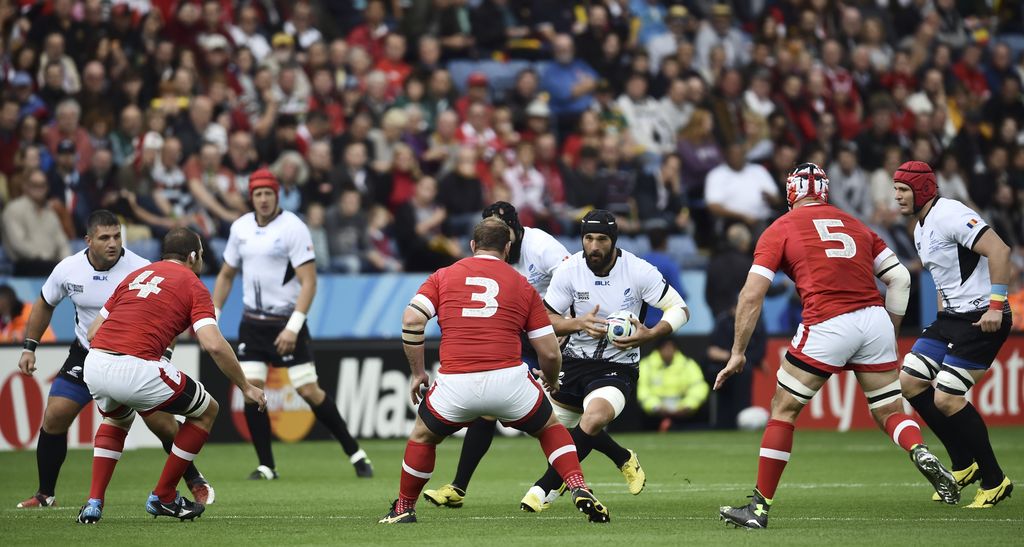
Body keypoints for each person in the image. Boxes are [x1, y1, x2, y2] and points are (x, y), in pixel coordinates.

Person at [716, 163, 957, 530]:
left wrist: (737, 353)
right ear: (825, 192)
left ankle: (759, 509)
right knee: (889, 410)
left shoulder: (780, 228)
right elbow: (900, 277)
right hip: (874, 318)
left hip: (828, 320)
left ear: (791, 193)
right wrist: (890, 329)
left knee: (783, 409)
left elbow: (752, 295)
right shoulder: (856, 224)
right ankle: (918, 449)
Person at [379, 217, 609, 524]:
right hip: (509, 381)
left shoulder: (443, 276)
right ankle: (578, 486)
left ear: (473, 246)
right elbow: (550, 351)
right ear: (508, 248)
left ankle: (404, 508)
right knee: (550, 428)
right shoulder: (522, 285)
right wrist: (551, 380)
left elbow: (411, 320)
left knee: (422, 437)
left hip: (455, 382)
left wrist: (418, 372)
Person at [16, 210, 215, 509]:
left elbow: (170, 314)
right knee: (55, 417)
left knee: (163, 426)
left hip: (138, 356)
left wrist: (164, 355)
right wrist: (29, 346)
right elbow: (45, 303)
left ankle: (191, 477)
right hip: (87, 353)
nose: (113, 243)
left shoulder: (142, 268)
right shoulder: (68, 269)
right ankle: (46, 494)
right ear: (88, 240)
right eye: (104, 237)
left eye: (117, 236)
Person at [75, 228, 267, 524]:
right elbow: (213, 344)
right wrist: (245, 386)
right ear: (192, 257)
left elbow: (93, 331)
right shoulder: (193, 284)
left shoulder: (136, 276)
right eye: (201, 254)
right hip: (137, 366)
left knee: (116, 418)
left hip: (96, 362)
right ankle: (164, 496)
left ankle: (93, 503)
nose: (202, 260)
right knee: (207, 411)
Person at [520, 209, 691, 512]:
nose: (594, 246)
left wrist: (649, 334)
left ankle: (545, 487)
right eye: (588, 238)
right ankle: (622, 457)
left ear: (613, 241)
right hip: (571, 362)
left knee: (593, 418)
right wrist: (577, 324)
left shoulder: (638, 270)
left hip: (618, 364)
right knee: (551, 431)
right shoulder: (569, 269)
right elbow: (545, 318)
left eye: (601, 239)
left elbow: (679, 308)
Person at [212, 169, 374, 480]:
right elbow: (226, 275)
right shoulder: (240, 228)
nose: (262, 199)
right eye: (257, 194)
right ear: (251, 197)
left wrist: (293, 327)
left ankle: (355, 452)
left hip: (286, 322)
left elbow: (309, 282)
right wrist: (212, 317)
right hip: (253, 324)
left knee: (308, 390)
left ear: (277, 195)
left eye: (268, 194)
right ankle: (266, 465)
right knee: (251, 391)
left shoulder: (293, 228)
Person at [423, 202, 581, 508]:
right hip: (514, 332)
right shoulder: (494, 254)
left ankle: (617, 458)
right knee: (489, 410)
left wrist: (565, 329)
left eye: (502, 233)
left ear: (516, 231)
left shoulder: (542, 247)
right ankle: (458, 487)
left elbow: (576, 280)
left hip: (550, 334)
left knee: (561, 414)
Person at [893, 161, 1015, 508]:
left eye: (903, 189)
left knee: (947, 398)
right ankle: (963, 463)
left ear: (924, 190)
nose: (897, 196)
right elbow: (946, 280)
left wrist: (996, 306)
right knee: (909, 381)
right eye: (896, 189)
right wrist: (944, 316)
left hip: (981, 317)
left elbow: (1000, 250)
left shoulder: (951, 214)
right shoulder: (920, 227)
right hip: (952, 318)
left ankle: (994, 479)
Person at [637, 338, 709, 432]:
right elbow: (643, 390)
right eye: (665, 347)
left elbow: (699, 387)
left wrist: (688, 405)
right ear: (658, 349)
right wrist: (656, 407)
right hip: (655, 416)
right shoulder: (646, 365)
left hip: (684, 414)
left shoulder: (688, 364)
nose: (668, 351)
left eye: (671, 347)